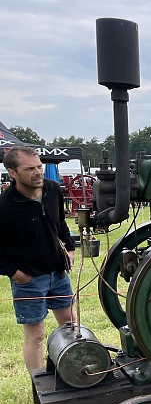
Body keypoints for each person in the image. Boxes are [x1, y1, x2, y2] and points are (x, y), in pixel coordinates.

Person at [0, 147, 75, 372]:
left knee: (70, 327)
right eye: (30, 168)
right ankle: (39, 383)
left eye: (39, 167)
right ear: (12, 172)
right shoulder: (5, 205)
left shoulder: (53, 189)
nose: (38, 172)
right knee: (36, 335)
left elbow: (60, 222)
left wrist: (69, 249)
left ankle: (73, 372)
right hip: (29, 278)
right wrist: (15, 273)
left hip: (58, 272)